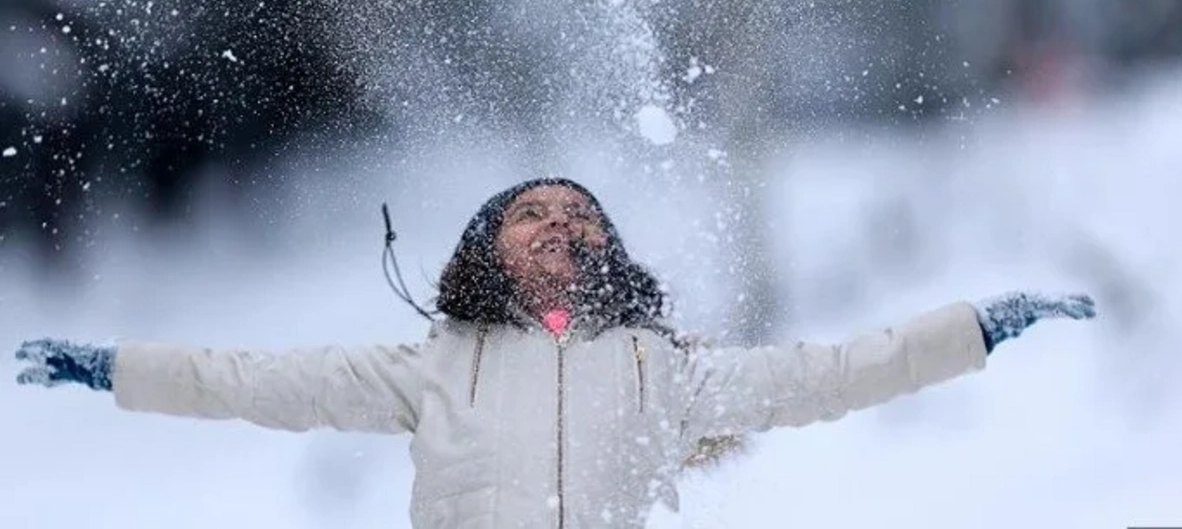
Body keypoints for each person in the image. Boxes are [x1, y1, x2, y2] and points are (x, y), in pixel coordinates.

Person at [14, 177, 1096, 528]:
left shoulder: (664, 371)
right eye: (531, 211)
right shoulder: (431, 366)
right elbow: (247, 382)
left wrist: (978, 328)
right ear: (485, 248)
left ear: (608, 251)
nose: (560, 223)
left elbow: (834, 373)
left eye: (581, 215)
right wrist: (111, 368)